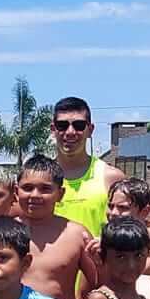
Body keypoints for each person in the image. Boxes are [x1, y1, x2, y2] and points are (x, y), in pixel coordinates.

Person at [14, 157, 99, 299]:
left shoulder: (76, 235)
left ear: (60, 194)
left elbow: (100, 284)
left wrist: (102, 262)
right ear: (16, 191)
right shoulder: (2, 233)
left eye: (45, 189)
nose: (35, 195)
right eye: (27, 188)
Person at [50, 97, 124, 239]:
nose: (70, 132)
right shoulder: (39, 181)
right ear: (53, 129)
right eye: (62, 125)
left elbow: (128, 228)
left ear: (90, 130)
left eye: (79, 125)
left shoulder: (111, 177)